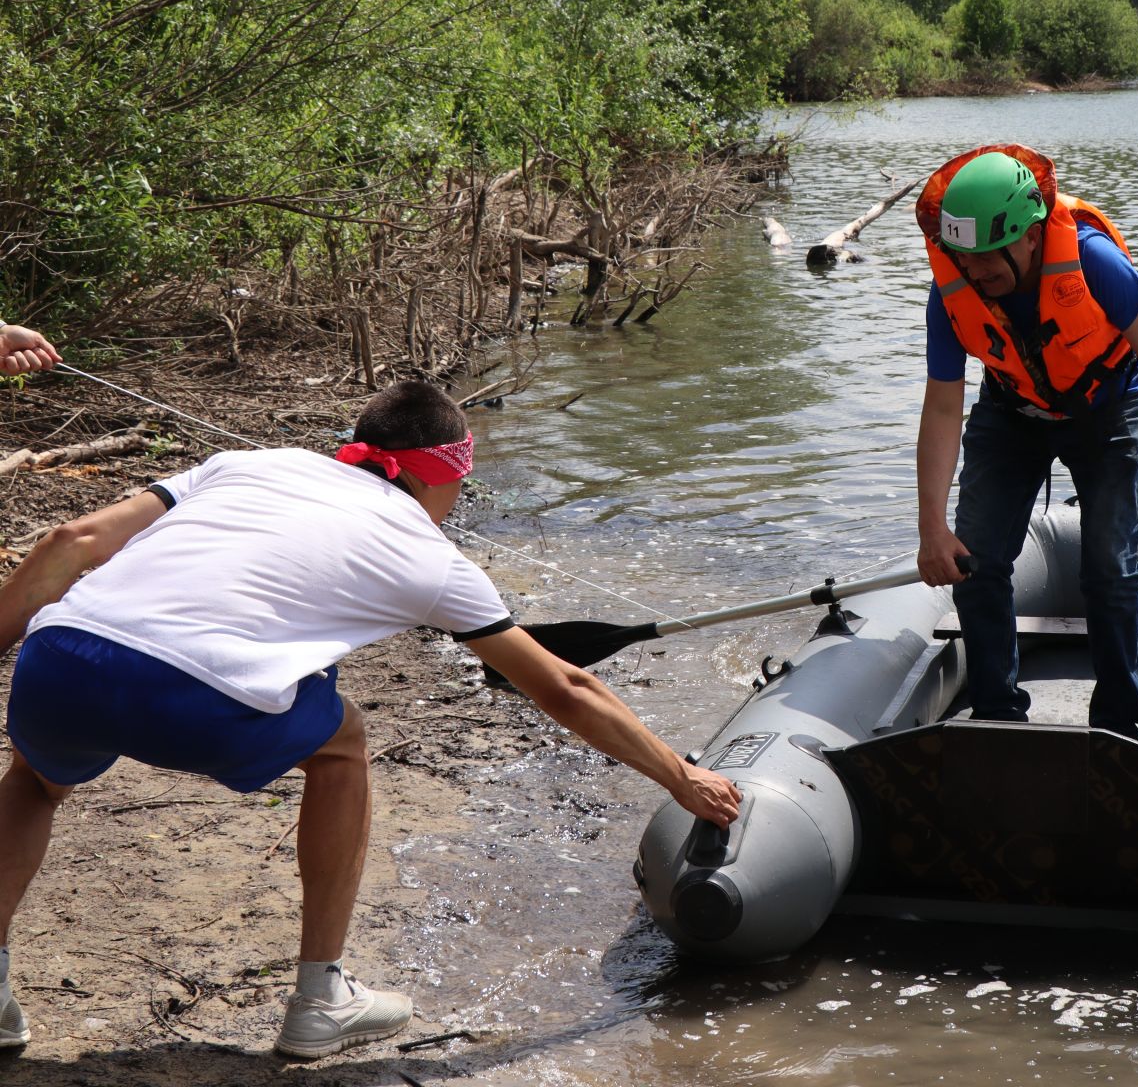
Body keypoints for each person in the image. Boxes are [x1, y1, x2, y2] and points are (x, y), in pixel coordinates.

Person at [0, 381, 740, 1058]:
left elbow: (73, 542)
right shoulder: (431, 555)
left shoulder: (249, 461)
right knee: (341, 742)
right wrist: (681, 777)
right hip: (196, 703)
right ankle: (320, 997)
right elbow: (566, 689)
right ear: (448, 475)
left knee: (33, 779)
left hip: (59, 659)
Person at [913, 144, 1138, 739]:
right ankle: (997, 715)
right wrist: (930, 525)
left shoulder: (1093, 260)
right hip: (1012, 409)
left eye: (986, 258)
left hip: (1108, 408)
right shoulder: (951, 293)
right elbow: (944, 402)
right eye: (962, 259)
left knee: (1110, 565)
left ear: (1028, 235)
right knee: (975, 558)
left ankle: (1117, 722)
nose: (975, 273)